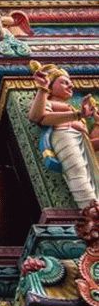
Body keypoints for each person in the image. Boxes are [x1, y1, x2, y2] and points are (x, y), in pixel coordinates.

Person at [28, 61, 98, 207]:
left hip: (78, 145)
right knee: (77, 171)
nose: (71, 85)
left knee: (91, 176)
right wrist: (43, 88)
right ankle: (90, 210)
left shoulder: (72, 109)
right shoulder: (49, 102)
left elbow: (89, 145)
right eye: (64, 82)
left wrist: (97, 122)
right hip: (63, 138)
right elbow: (39, 117)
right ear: (51, 87)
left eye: (70, 83)